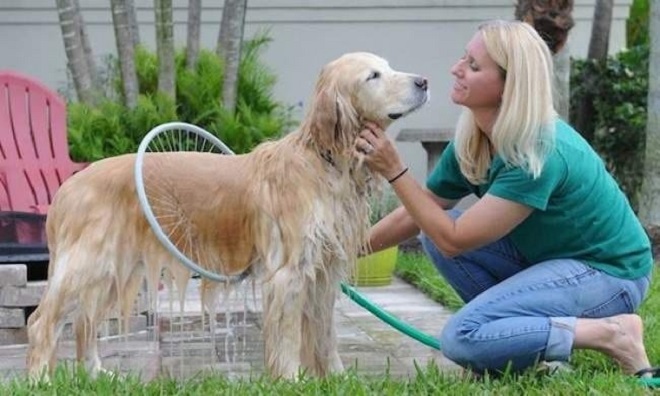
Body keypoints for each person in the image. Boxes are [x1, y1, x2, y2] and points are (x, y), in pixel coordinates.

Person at [356, 20, 656, 377]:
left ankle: (611, 332)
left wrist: (395, 170)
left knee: (462, 338)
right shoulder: (476, 139)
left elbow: (455, 242)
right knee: (433, 228)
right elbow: (424, 212)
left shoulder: (537, 152)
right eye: (463, 59)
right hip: (547, 263)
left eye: (474, 66)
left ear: (509, 85)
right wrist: (346, 250)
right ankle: (527, 346)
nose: (456, 69)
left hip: (608, 276)